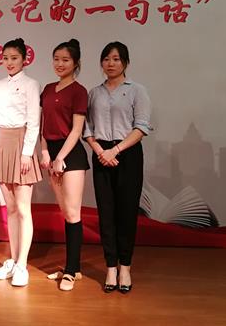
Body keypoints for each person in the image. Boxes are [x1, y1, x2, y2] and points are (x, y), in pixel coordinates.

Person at [84, 41, 151, 294]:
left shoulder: (137, 91)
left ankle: (125, 267)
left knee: (126, 213)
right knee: (106, 213)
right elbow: (88, 128)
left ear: (125, 63)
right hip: (101, 155)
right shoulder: (94, 93)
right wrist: (100, 150)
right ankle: (110, 267)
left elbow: (141, 127)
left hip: (128, 155)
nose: (110, 64)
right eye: (106, 59)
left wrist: (116, 150)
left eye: (116, 59)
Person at [0, 38, 41, 287]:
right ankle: (12, 258)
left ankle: (22, 264)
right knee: (10, 209)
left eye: (14, 58)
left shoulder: (31, 84)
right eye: (5, 58)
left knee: (23, 208)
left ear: (24, 60)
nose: (9, 62)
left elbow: (34, 121)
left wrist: (27, 153)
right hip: (2, 144)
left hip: (21, 144)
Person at [39, 39, 89, 291]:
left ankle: (71, 271)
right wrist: (45, 150)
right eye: (56, 59)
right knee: (65, 212)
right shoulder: (48, 89)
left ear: (76, 63)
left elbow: (77, 130)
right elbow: (42, 123)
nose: (60, 64)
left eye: (65, 60)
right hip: (51, 152)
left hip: (71, 155)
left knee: (72, 213)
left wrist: (61, 158)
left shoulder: (79, 91)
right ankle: (73, 267)